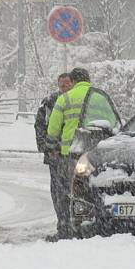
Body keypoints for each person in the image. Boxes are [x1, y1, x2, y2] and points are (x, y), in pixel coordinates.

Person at [46, 67, 93, 240]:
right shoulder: (98, 97)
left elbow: (52, 129)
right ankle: (91, 225)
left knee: (65, 192)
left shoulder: (65, 98)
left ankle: (66, 228)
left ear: (73, 81)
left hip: (69, 156)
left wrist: (51, 148)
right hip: (94, 155)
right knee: (90, 192)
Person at [35, 72, 74, 238]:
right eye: (62, 84)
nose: (64, 87)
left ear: (73, 84)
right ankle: (63, 224)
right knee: (58, 192)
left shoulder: (75, 101)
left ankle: (72, 225)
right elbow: (40, 126)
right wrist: (47, 148)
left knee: (73, 190)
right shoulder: (50, 101)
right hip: (55, 156)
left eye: (67, 84)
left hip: (72, 154)